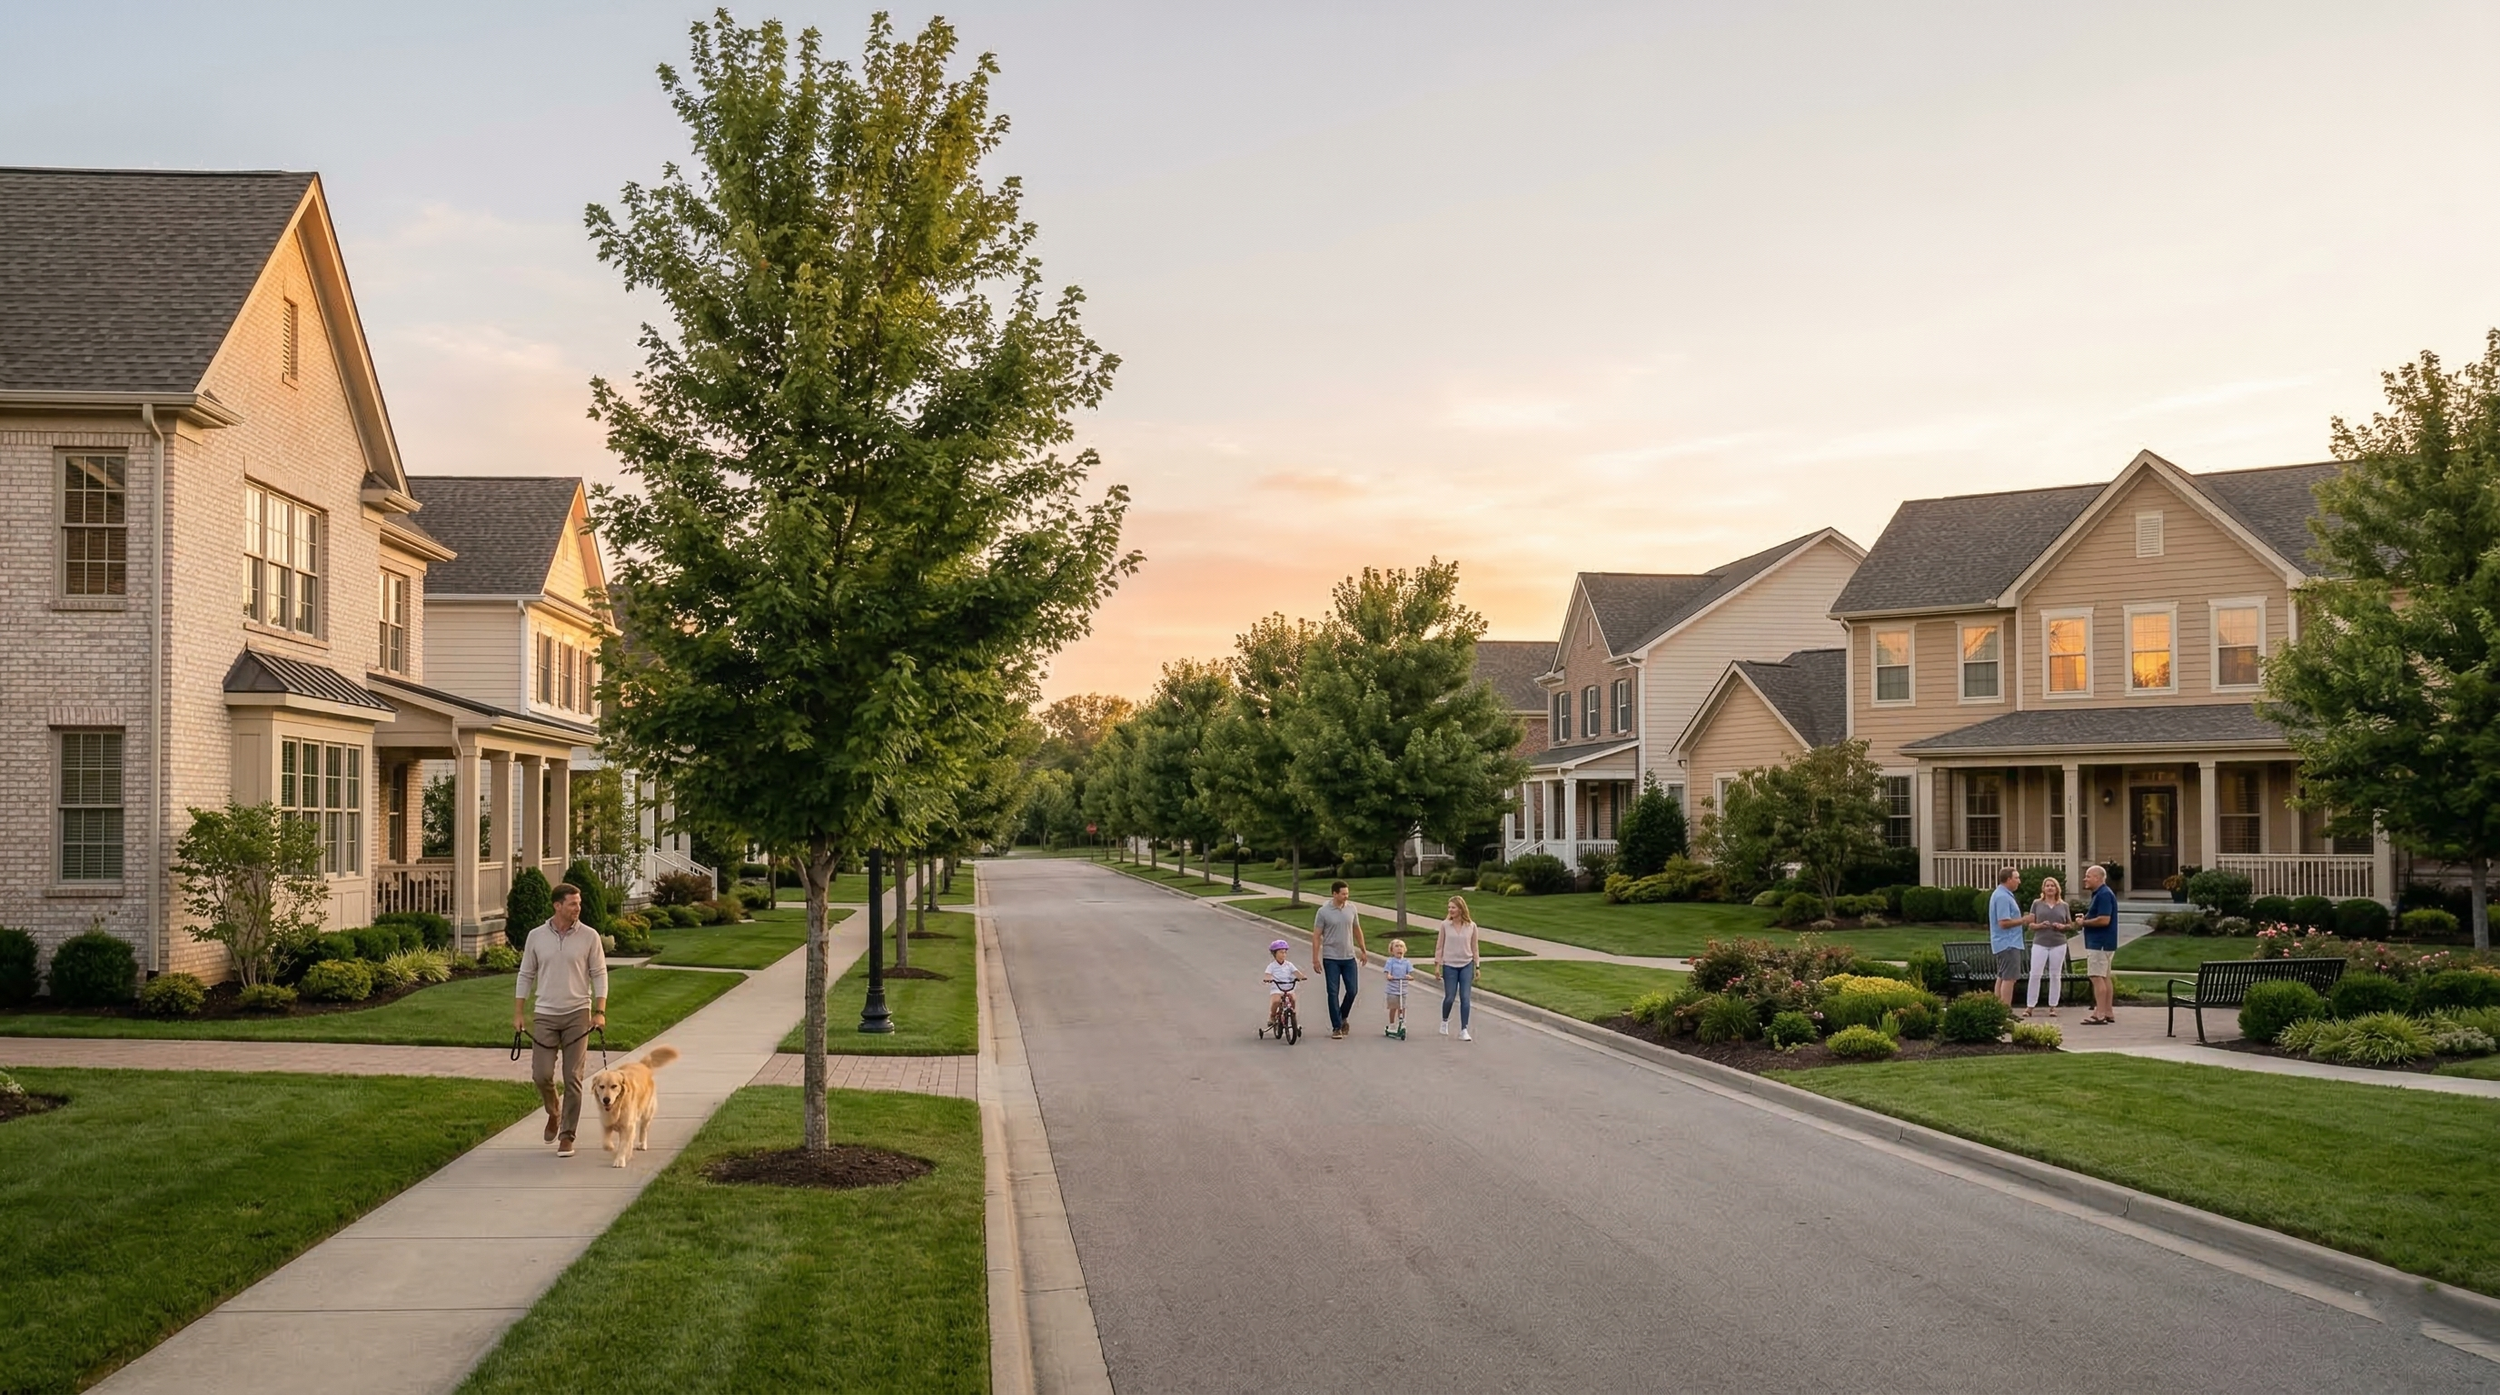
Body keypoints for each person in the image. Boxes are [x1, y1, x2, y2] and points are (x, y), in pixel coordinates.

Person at [513, 883, 607, 1159]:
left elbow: (600, 974)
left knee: (573, 1078)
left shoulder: (589, 936)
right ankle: (553, 1111)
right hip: (545, 1014)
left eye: (579, 904)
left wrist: (599, 1011)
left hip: (578, 1013)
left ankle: (567, 1135)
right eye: (573, 904)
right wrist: (519, 1013)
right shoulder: (536, 936)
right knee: (541, 1074)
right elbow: (525, 974)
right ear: (557, 906)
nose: (578, 908)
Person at [1311, 880, 1368, 1040]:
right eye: (1343, 894)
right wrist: (1315, 958)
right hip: (1331, 958)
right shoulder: (1323, 912)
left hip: (1349, 956)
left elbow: (1357, 929)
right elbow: (1316, 936)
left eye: (1347, 893)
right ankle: (1337, 1027)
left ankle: (1342, 1016)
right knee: (1333, 992)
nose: (1346, 896)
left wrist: (1363, 949)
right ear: (1334, 894)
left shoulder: (1351, 908)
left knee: (1352, 990)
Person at [2079, 864, 2121, 1025]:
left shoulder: (2103, 894)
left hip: (2099, 943)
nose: (2085, 879)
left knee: (2096, 977)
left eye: (2088, 876)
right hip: (2105, 943)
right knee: (2104, 977)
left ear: (2097, 877)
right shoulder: (2101, 894)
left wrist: (2084, 922)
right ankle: (2108, 1011)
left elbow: (2104, 919)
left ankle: (2100, 1014)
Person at [2025, 875, 2072, 1017]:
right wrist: (2040, 925)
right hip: (2040, 942)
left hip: (2058, 943)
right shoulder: (2037, 904)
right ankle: (2030, 1006)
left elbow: (2070, 925)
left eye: (2052, 885)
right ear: (2043, 889)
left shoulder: (2064, 905)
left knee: (2055, 974)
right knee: (2035, 973)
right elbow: (2031, 924)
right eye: (2047, 885)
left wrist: (2062, 926)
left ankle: (2053, 1006)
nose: (2050, 888)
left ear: (2057, 888)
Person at [1438, 895, 1481, 1041]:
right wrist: (1437, 965)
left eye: (1453, 907)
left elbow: (1475, 947)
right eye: (1449, 907)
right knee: (1450, 997)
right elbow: (1439, 946)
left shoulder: (1471, 926)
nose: (1450, 910)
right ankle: (1444, 1021)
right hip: (1449, 964)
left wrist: (1477, 966)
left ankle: (1464, 1029)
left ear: (1461, 909)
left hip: (1466, 964)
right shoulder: (1445, 925)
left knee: (1465, 998)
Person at [1988, 866, 2030, 1009]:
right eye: (2016, 878)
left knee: (2002, 976)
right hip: (2008, 943)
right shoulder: (2002, 897)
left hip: (2006, 943)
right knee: (2009, 978)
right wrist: (2024, 920)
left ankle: (1998, 1008)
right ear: (2008, 879)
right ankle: (2005, 1010)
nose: (2019, 881)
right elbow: (2003, 922)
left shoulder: (2003, 894)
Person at [1263, 939, 1302, 1033]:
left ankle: (1293, 1015)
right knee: (1276, 1000)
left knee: (1293, 998)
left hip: (1288, 986)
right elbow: (1267, 974)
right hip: (1277, 988)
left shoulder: (1289, 965)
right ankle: (1272, 1016)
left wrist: (1301, 976)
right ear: (1274, 954)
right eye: (1280, 952)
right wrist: (1268, 978)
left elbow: (1296, 972)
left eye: (1285, 952)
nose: (1283, 955)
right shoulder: (1272, 966)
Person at [1381, 938, 1413, 1039]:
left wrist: (1409, 977)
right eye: (1397, 946)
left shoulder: (1407, 962)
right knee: (1393, 1007)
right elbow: (1387, 972)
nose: (1399, 948)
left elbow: (1409, 973)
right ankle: (1392, 1024)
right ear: (1392, 950)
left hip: (1402, 989)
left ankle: (1402, 1022)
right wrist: (1389, 976)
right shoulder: (1390, 961)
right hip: (1392, 989)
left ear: (1404, 950)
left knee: (1402, 1007)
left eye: (1401, 946)